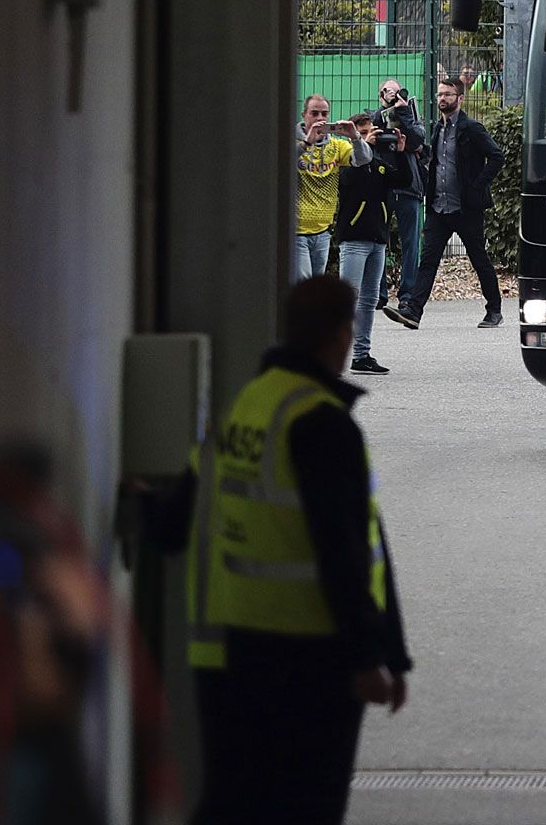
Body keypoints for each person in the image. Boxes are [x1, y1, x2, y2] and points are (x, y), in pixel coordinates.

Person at [168, 276, 412, 823]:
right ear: (343, 334)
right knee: (307, 807)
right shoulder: (321, 424)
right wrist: (369, 656)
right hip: (311, 658)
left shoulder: (248, 405)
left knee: (235, 803)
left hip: (236, 650)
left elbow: (184, 510)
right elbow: (344, 548)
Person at [383, 77, 507, 329]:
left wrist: (476, 187)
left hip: (466, 208)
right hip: (439, 207)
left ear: (460, 98)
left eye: (448, 95)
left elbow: (496, 157)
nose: (442, 99)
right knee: (428, 260)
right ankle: (414, 312)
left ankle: (494, 309)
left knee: (478, 258)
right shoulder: (438, 129)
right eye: (440, 94)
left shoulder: (472, 129)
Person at [336, 113, 409, 375]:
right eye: (362, 131)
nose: (370, 134)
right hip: (354, 239)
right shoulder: (346, 162)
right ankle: (334, 353)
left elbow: (402, 180)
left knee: (368, 300)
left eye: (371, 130)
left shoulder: (379, 163)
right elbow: (352, 181)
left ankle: (361, 355)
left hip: (377, 239)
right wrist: (361, 143)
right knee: (348, 299)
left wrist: (399, 152)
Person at [295, 94, 369, 281]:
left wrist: (355, 137)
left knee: (315, 284)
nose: (320, 119)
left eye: (324, 114)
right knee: (303, 284)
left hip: (322, 230)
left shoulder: (336, 146)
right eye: (314, 113)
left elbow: (364, 159)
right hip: (296, 231)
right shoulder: (294, 143)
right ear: (304, 115)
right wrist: (307, 143)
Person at [373, 80, 427, 314]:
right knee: (377, 242)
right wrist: (385, 109)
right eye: (387, 91)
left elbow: (417, 140)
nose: (391, 95)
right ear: (379, 95)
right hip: (382, 187)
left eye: (395, 91)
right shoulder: (374, 117)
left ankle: (407, 296)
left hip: (408, 187)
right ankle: (378, 293)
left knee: (410, 244)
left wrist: (403, 111)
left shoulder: (411, 119)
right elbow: (373, 139)